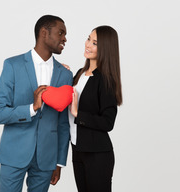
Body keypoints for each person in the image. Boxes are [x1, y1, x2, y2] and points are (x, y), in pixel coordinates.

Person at [0, 15, 73, 192]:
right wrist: (31, 108)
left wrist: (59, 161)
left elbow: (63, 123)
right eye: (61, 33)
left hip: (46, 158)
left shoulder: (65, 74)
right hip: (14, 154)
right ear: (44, 33)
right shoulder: (13, 65)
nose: (65, 39)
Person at [68, 25, 122, 192]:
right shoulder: (79, 74)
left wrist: (78, 114)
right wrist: (61, 73)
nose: (88, 44)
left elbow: (108, 122)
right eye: (88, 39)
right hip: (77, 150)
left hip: (97, 154)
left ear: (105, 48)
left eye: (95, 43)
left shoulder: (106, 80)